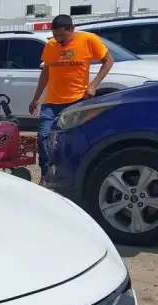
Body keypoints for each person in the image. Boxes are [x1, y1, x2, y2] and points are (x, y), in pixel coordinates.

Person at [29, 14, 114, 182]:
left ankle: (75, 175)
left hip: (77, 101)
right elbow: (46, 73)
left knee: (75, 140)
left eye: (62, 35)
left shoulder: (89, 40)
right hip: (52, 103)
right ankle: (47, 176)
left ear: (71, 29)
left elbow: (108, 61)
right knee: (44, 137)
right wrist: (36, 98)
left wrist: (93, 85)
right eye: (55, 35)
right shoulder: (51, 46)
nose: (58, 39)